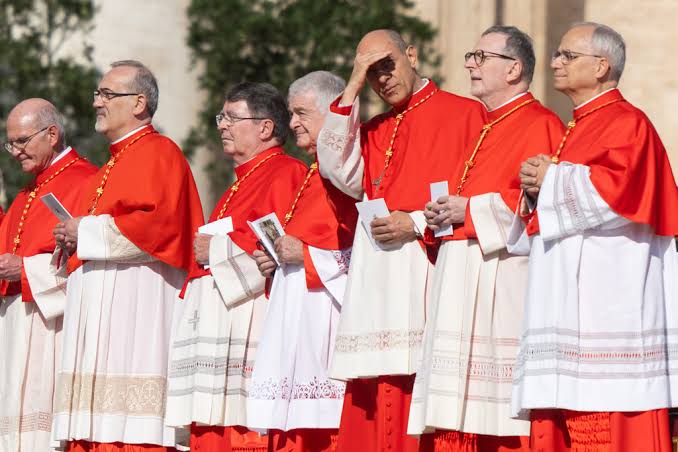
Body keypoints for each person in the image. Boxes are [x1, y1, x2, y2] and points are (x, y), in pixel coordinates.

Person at [510, 22, 678, 451]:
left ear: (601, 66)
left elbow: (619, 194)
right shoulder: (578, 125)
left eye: (567, 55)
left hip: (607, 301)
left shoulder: (628, 123)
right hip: (569, 300)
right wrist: (539, 185)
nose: (554, 62)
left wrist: (553, 178)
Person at [315, 29, 485, 451]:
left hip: (426, 262)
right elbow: (337, 168)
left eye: (387, 65)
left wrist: (417, 223)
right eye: (371, 74)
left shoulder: (464, 114)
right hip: (379, 275)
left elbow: (476, 195)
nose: (382, 78)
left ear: (412, 54)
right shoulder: (374, 128)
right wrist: (353, 82)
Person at [408, 26, 564, 452]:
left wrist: (470, 210)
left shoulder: (542, 124)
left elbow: (540, 207)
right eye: (471, 55)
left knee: (497, 416)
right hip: (460, 270)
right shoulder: (481, 127)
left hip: (502, 276)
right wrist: (439, 214)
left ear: (514, 68)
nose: (470, 64)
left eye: (481, 56)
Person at [51, 60, 205, 451]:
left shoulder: (160, 153)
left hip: (138, 307)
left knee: (131, 431)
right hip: (104, 311)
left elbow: (159, 227)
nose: (96, 102)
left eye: (106, 94)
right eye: (97, 94)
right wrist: (71, 237)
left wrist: (82, 231)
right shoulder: (112, 162)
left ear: (139, 102)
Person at [165, 82, 308, 452]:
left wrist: (217, 249)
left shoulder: (287, 173)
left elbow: (279, 247)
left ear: (265, 128)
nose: (222, 126)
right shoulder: (236, 185)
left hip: (250, 323)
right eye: (221, 117)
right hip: (220, 325)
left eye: (232, 117)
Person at [248, 71, 358, 451]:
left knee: (323, 427)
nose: (291, 122)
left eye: (300, 113)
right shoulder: (313, 170)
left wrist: (308, 257)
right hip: (296, 304)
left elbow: (363, 249)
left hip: (326, 311)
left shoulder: (349, 171)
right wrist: (277, 260)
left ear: (332, 113)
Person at [0, 99, 97, 451]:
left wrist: (24, 268)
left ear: (52, 134)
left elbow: (90, 261)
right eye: (10, 143)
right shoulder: (27, 191)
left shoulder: (87, 181)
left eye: (22, 141)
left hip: (53, 327)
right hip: (17, 326)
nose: (15, 152)